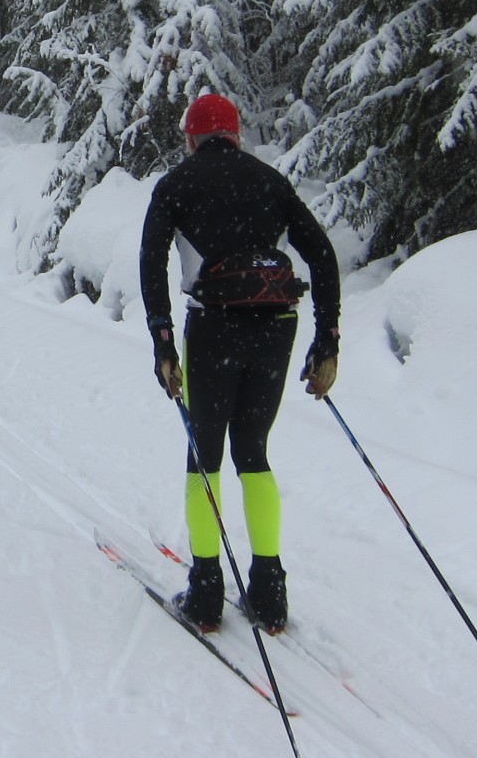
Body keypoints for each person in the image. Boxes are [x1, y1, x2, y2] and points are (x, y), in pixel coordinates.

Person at [138, 93, 340, 634]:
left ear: (190, 137)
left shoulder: (176, 185)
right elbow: (320, 254)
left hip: (212, 328)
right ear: (236, 134)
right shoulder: (269, 181)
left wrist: (162, 343)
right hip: (276, 329)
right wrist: (328, 341)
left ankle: (206, 591)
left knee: (204, 455)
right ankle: (270, 592)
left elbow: (151, 264)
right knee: (254, 452)